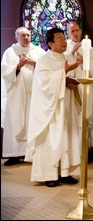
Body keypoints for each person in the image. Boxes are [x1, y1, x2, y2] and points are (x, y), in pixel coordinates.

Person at [25, 27, 82, 187]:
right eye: (60, 39)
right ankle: (49, 175)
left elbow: (65, 77)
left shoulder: (66, 56)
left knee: (65, 137)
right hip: (51, 110)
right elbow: (44, 83)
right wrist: (65, 71)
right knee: (51, 139)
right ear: (50, 43)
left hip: (65, 105)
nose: (64, 41)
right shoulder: (44, 60)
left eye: (64, 38)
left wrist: (70, 80)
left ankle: (64, 172)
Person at [1, 27, 46, 166]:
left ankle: (32, 154)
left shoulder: (38, 51)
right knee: (15, 121)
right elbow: (5, 71)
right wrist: (18, 66)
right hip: (17, 95)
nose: (26, 38)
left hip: (35, 94)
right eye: (23, 35)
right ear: (16, 37)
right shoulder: (10, 52)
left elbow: (47, 68)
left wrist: (35, 63)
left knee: (33, 122)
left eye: (28, 35)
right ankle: (14, 155)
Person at [66, 21, 93, 149]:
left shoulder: (89, 48)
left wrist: (84, 61)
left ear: (80, 31)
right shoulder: (65, 47)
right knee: (71, 118)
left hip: (85, 87)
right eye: (72, 31)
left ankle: (85, 150)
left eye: (77, 30)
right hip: (70, 88)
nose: (75, 33)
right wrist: (71, 52)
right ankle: (72, 150)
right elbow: (61, 64)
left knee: (85, 117)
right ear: (68, 33)